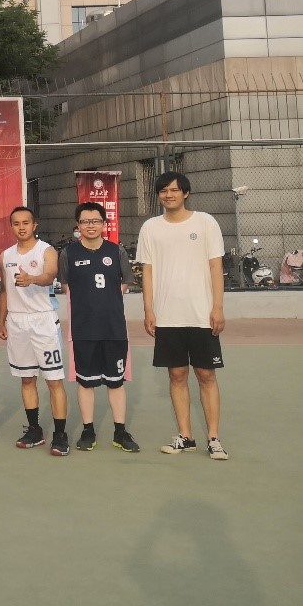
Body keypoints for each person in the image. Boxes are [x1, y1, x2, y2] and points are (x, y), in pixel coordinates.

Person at [137, 171, 228, 460]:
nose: (169, 195)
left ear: (185, 193)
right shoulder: (150, 228)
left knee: (206, 374)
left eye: (174, 190)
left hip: (202, 314)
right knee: (176, 375)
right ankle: (186, 436)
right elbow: (147, 271)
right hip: (167, 316)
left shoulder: (205, 222)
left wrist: (217, 307)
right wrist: (149, 309)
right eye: (163, 191)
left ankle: (213, 438)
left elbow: (215, 267)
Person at [60, 202, 138, 454]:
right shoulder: (68, 254)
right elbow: (66, 286)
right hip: (83, 329)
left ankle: (120, 431)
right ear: (78, 225)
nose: (90, 226)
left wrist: (107, 302)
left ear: (104, 224)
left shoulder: (116, 251)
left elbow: (125, 282)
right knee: (86, 382)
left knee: (116, 382)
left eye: (95, 221)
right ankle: (88, 430)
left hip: (114, 328)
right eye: (85, 221)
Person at [0, 207, 68, 454]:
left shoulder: (46, 250)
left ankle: (60, 434)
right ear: (11, 226)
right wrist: (1, 320)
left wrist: (32, 279)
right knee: (27, 379)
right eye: (16, 223)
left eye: (25, 223)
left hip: (43, 322)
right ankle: (34, 429)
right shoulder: (5, 255)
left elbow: (50, 276)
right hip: (17, 323)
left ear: (34, 225)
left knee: (53, 380)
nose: (21, 227)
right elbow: (5, 290)